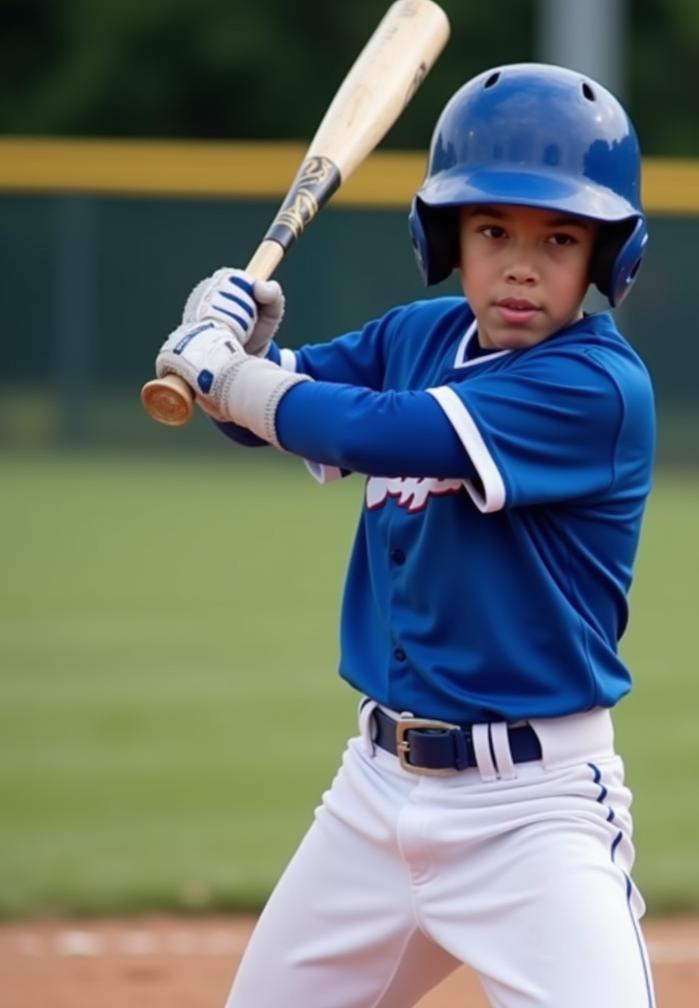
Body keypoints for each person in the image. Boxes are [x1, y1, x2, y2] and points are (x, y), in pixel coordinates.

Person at [155, 63, 657, 1008]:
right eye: (493, 230)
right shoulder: (419, 337)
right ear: (449, 240)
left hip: (532, 815)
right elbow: (267, 407)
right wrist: (237, 344)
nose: (521, 263)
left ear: (604, 257)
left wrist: (230, 374)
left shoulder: (596, 387)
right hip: (373, 799)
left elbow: (366, 430)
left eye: (559, 237)